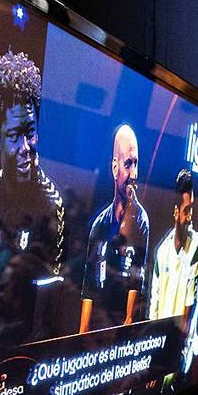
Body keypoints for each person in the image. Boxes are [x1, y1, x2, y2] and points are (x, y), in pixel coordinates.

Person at [0, 49, 64, 275]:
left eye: (30, 133)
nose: (25, 147)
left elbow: (52, 279)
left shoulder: (52, 204)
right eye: (14, 136)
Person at [82, 123, 151, 326]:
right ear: (115, 167)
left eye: (136, 164)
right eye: (128, 164)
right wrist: (82, 331)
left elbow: (139, 278)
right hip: (98, 326)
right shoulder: (99, 224)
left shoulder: (141, 221)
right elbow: (89, 285)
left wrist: (128, 322)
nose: (134, 174)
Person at [147, 170, 198, 322]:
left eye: (191, 209)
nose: (190, 217)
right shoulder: (162, 251)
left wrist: (183, 330)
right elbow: (155, 298)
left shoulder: (195, 244)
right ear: (176, 212)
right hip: (161, 334)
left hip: (179, 337)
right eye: (186, 210)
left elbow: (191, 297)